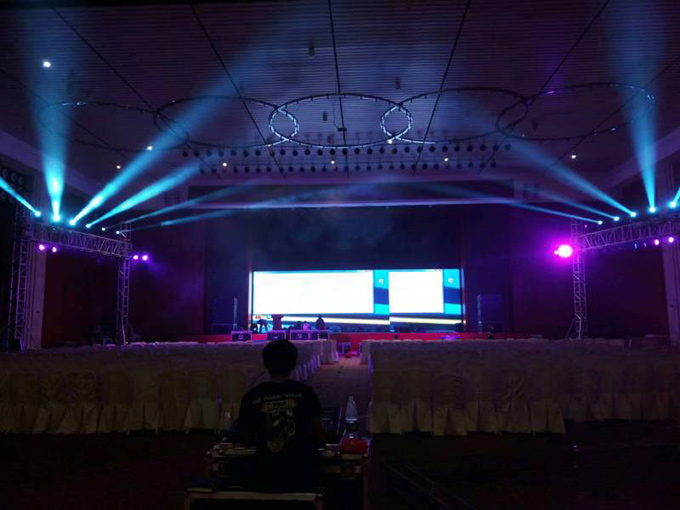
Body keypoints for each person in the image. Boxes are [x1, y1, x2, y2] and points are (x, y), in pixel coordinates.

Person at [234, 340, 325, 492]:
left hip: (264, 475)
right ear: (293, 364)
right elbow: (319, 434)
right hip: (302, 474)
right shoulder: (305, 393)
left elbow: (244, 438)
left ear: (265, 364)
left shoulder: (252, 396)